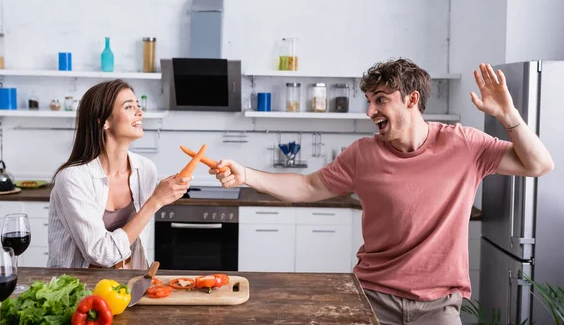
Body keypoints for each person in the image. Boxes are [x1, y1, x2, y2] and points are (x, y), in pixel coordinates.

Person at [211, 59, 554, 324]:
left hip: (438, 306)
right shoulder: (363, 153)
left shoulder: (463, 145)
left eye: (380, 100)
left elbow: (538, 165)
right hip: (372, 296)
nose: (370, 111)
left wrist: (509, 115)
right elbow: (308, 185)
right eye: (369, 101)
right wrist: (245, 175)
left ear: (411, 100)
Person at [48, 79, 191, 269]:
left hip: (128, 284)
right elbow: (100, 255)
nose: (140, 112)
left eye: (138, 106)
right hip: (76, 290)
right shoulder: (73, 178)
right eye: (129, 107)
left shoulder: (146, 169)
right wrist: (155, 202)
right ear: (104, 121)